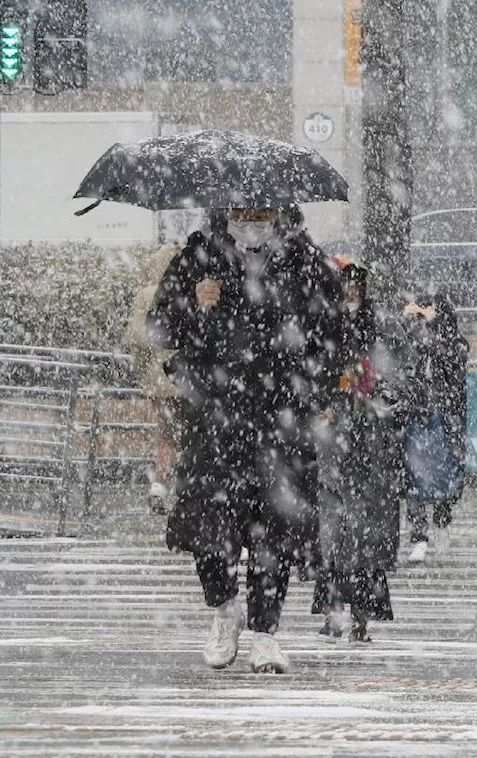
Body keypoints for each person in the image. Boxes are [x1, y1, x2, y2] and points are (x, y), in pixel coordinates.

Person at [147, 206, 346, 674]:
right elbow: (161, 327)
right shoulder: (198, 257)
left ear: (279, 210)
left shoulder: (305, 261)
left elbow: (334, 335)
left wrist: (309, 388)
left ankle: (265, 632)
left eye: (261, 207)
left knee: (275, 529)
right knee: (208, 524)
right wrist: (195, 304)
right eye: (240, 206)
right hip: (216, 420)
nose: (250, 217)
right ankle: (223, 610)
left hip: (281, 421)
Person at [311, 257, 417, 643]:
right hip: (334, 443)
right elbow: (308, 370)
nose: (352, 291)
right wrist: (322, 400)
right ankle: (333, 610)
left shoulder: (383, 324)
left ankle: (361, 616)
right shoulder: (324, 324)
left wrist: (381, 397)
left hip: (373, 445)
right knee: (333, 530)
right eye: (346, 283)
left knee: (368, 533)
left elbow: (404, 374)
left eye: (358, 284)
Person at [399, 291, 468, 565]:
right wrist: (406, 319)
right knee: (413, 477)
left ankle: (441, 520)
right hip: (416, 417)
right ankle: (418, 536)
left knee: (444, 476)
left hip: (445, 421)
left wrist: (435, 329)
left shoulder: (455, 344)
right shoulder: (411, 342)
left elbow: (453, 362)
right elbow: (392, 350)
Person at [126, 243, 183, 515]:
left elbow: (138, 341)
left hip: (159, 379)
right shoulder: (193, 288)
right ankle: (188, 487)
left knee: (166, 433)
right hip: (190, 377)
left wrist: (142, 372)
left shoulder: (146, 295)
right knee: (195, 434)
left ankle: (160, 485)